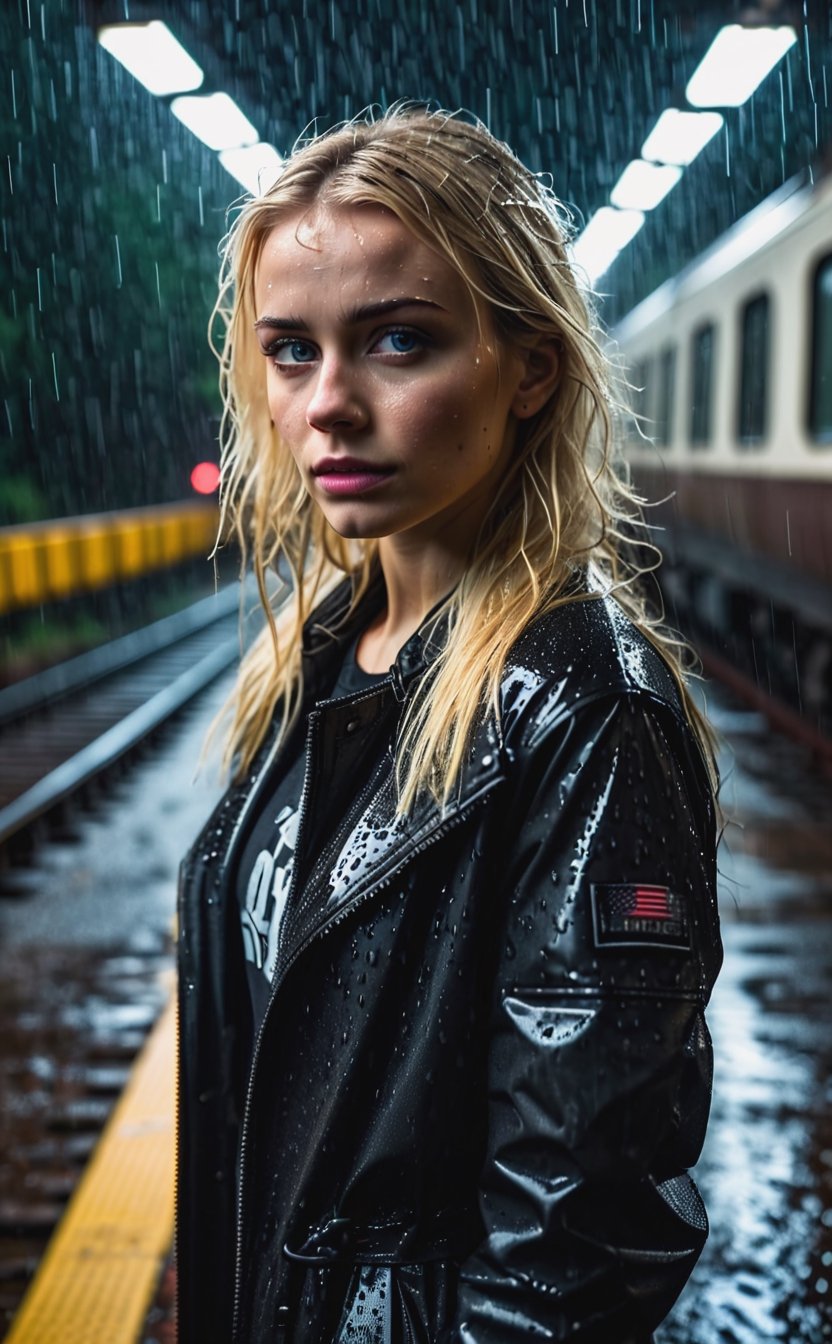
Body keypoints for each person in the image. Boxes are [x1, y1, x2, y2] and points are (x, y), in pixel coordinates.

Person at [177, 105, 722, 1344]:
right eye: (291, 352)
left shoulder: (587, 711)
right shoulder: (316, 659)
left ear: (528, 367)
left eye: (398, 342)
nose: (328, 405)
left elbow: (573, 1254)